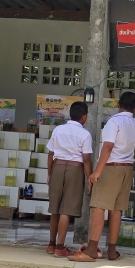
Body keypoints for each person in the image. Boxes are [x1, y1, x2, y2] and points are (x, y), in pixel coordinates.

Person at [68, 92, 135, 262]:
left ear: (118, 105)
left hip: (111, 167)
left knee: (98, 207)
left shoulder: (114, 122)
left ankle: (92, 249)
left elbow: (108, 147)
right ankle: (112, 251)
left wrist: (97, 172)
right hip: (127, 168)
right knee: (116, 210)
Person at [45, 101, 93, 258]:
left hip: (57, 167)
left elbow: (51, 154)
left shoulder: (58, 129)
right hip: (75, 169)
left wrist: (49, 173)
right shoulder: (85, 134)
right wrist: (89, 179)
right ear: (84, 117)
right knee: (66, 209)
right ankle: (60, 247)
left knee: (55, 208)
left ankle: (51, 244)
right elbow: (86, 159)